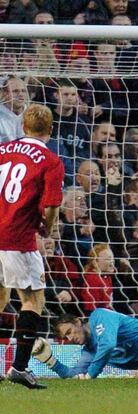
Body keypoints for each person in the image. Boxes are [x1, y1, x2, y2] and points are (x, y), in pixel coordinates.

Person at [0, 104, 64, 389]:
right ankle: (20, 367)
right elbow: (51, 205)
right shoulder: (50, 161)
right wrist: (47, 227)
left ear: (23, 127)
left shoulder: (2, 151)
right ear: (50, 129)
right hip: (18, 237)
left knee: (0, 297)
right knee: (33, 300)